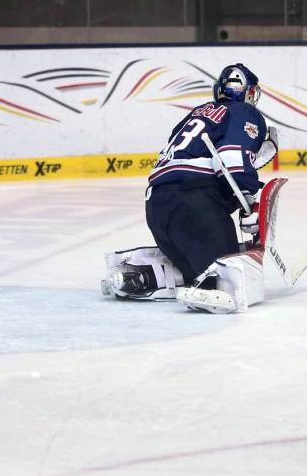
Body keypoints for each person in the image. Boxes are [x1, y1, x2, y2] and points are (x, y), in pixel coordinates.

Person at [102, 64, 278, 314]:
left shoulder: (197, 113)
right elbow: (233, 159)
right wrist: (248, 198)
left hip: (157, 205)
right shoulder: (245, 112)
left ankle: (142, 277)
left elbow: (199, 155)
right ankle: (208, 282)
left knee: (193, 267)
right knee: (226, 277)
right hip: (194, 203)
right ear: (249, 93)